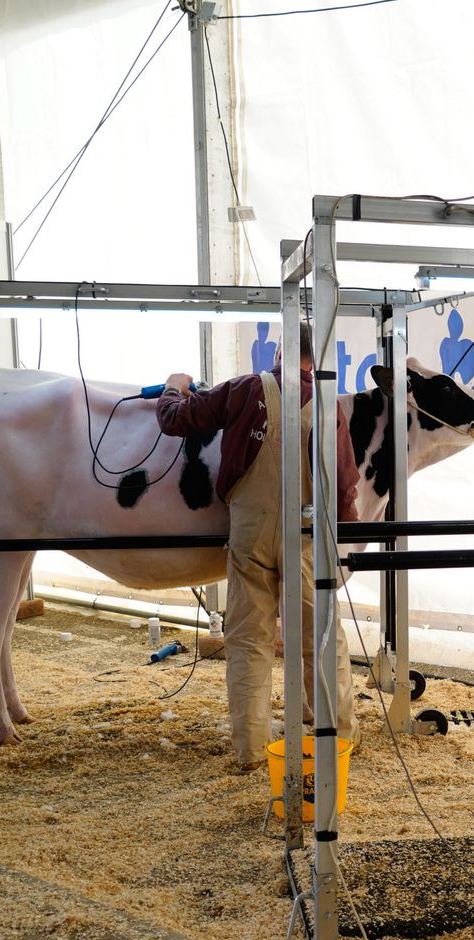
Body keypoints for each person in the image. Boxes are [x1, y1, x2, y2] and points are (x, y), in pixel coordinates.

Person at [157, 323, 358, 771]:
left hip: (249, 531)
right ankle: (340, 740)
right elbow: (346, 488)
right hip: (307, 540)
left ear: (279, 352)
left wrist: (174, 387)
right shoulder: (330, 404)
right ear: (316, 357)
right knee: (321, 638)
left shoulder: (244, 389)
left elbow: (176, 420)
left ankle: (250, 751)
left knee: (249, 640)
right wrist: (343, 542)